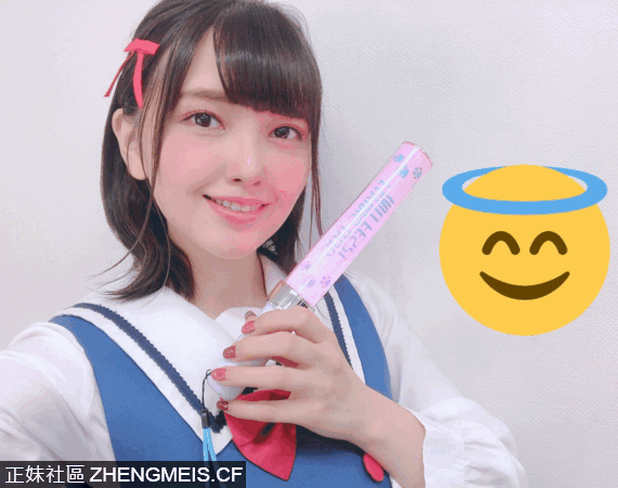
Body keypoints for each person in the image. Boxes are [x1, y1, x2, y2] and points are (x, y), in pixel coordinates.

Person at [0, 0, 528, 486]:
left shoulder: (359, 314)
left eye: (284, 132)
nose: (250, 168)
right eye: (204, 119)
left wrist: (364, 414)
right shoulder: (72, 365)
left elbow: (497, 472)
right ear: (133, 142)